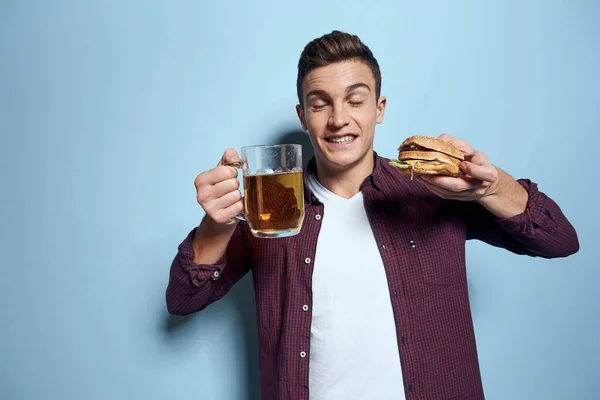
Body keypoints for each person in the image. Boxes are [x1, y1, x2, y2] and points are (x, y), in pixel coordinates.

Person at [166, 30, 579, 400]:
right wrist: (215, 225)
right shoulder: (269, 210)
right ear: (303, 117)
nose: (339, 118)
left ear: (379, 108)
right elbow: (183, 299)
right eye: (320, 104)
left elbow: (559, 239)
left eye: (355, 100)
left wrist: (492, 187)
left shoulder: (434, 191)